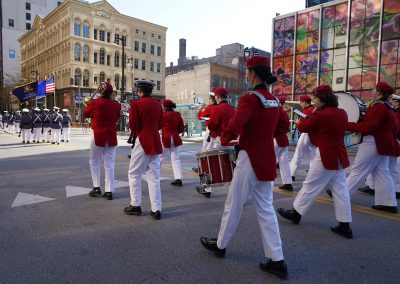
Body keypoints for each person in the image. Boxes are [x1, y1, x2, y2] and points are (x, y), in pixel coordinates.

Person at [200, 55, 288, 279]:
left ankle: (220, 245)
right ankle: (277, 259)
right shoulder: (274, 100)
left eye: (248, 71)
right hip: (266, 157)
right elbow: (283, 126)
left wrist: (226, 138)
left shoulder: (250, 99)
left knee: (234, 204)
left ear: (252, 73)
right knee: (266, 209)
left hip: (249, 158)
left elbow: (235, 125)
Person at [277, 85, 353, 239]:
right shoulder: (342, 113)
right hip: (339, 154)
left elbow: (304, 126)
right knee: (341, 191)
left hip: (325, 154)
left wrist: (308, 116)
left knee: (310, 185)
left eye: (316, 99)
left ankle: (296, 213)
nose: (314, 101)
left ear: (323, 100)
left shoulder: (319, 115)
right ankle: (345, 225)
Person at [329, 82, 398, 213]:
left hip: (373, 142)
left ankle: (342, 194)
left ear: (379, 93)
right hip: (382, 142)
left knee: (358, 170)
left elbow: (368, 126)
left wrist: (346, 124)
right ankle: (388, 203)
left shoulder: (379, 107)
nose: (372, 91)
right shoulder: (389, 107)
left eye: (374, 90)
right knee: (382, 172)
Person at [124, 80, 163, 220]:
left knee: (134, 173)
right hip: (155, 140)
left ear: (139, 91)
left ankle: (136, 205)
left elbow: (133, 125)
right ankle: (156, 209)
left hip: (142, 140)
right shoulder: (158, 105)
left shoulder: (136, 104)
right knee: (154, 176)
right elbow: (160, 124)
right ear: (150, 91)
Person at [195, 87, 235, 197]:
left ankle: (207, 189)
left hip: (216, 139)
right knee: (229, 167)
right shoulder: (232, 108)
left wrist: (208, 122)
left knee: (207, 164)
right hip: (229, 140)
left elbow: (212, 124)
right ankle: (235, 193)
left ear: (217, 97)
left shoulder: (217, 108)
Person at [358, 94, 400, 200]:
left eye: (395, 101)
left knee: (389, 168)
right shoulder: (392, 110)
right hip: (390, 141)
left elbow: (395, 128)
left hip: (391, 140)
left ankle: (396, 189)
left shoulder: (393, 112)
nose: (393, 102)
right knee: (382, 169)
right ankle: (383, 194)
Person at [84, 82, 121, 200]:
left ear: (101, 92)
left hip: (98, 135)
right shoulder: (116, 104)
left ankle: (96, 187)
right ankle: (109, 191)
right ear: (111, 92)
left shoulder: (95, 103)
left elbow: (86, 114)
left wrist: (88, 103)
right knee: (109, 164)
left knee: (94, 161)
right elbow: (116, 117)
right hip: (111, 136)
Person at [290, 95, 315, 181]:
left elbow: (304, 125)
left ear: (304, 102)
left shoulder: (307, 111)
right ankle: (312, 175)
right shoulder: (313, 109)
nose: (300, 104)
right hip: (313, 135)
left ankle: (291, 174)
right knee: (313, 156)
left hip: (306, 134)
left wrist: (298, 123)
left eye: (301, 102)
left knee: (298, 155)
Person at [161, 99, 185, 187]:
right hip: (175, 138)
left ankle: (154, 175)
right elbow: (181, 129)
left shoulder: (163, 115)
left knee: (160, 158)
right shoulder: (177, 115)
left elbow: (158, 126)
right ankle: (178, 178)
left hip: (165, 138)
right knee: (176, 159)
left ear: (166, 106)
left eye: (163, 106)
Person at [274, 97, 293, 191]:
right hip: (283, 138)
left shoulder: (275, 112)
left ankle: (265, 184)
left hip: (275, 138)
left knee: (270, 161)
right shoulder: (284, 113)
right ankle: (288, 183)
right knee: (284, 162)